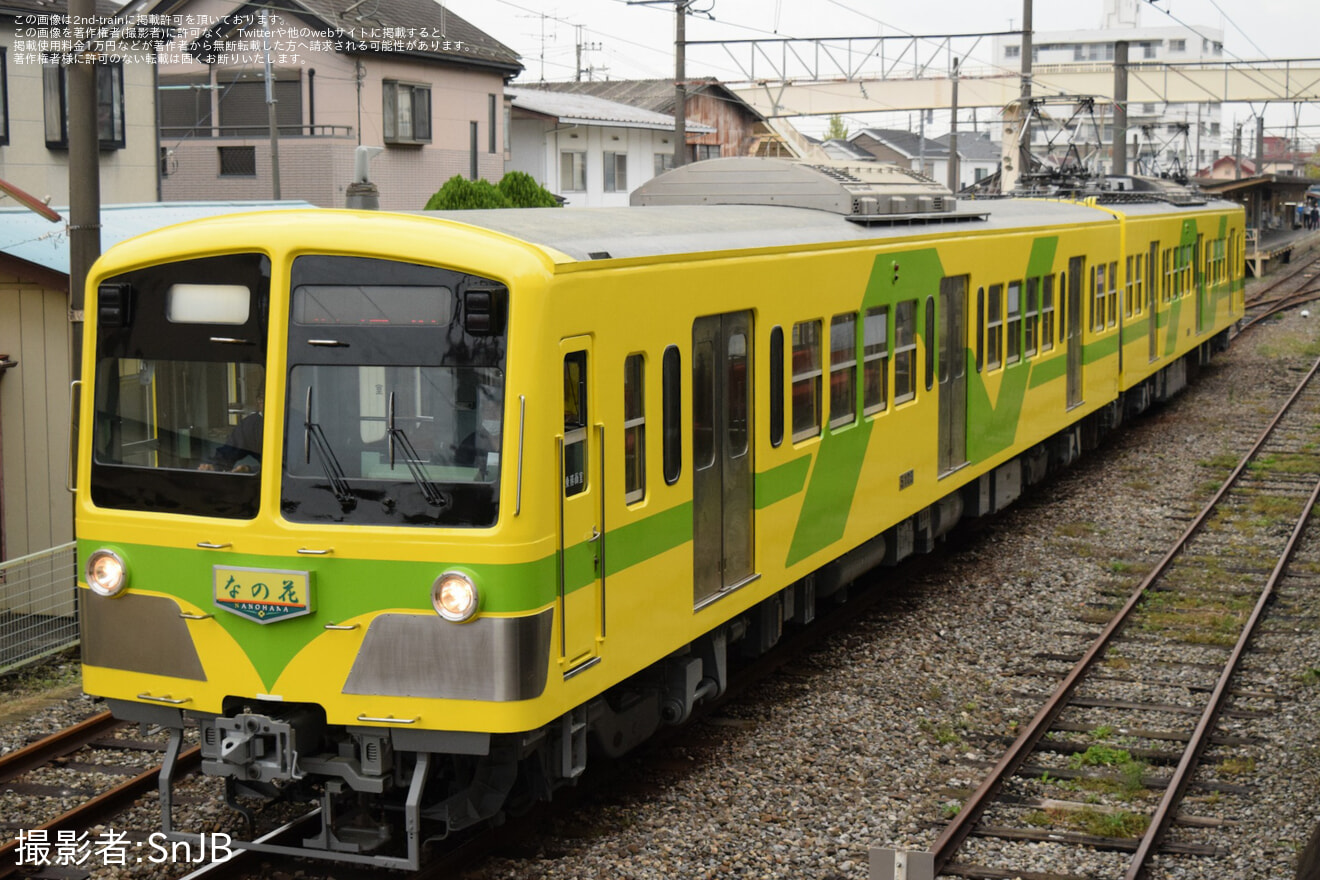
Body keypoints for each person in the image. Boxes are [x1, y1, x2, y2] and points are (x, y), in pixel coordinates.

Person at [199, 389, 264, 472]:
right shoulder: (251, 425)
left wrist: (251, 470)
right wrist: (214, 466)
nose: (261, 403)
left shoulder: (285, 423)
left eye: (264, 398)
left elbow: (283, 468)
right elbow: (229, 451)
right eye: (260, 398)